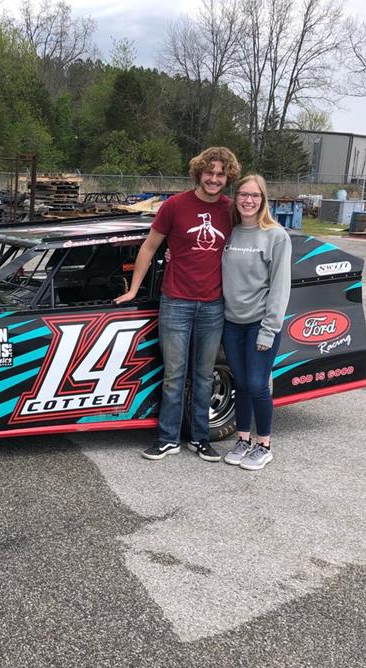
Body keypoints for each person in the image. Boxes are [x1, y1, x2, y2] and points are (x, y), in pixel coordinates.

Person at [115, 146, 241, 461]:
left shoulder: (232, 211)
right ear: (199, 172)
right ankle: (168, 439)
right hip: (176, 303)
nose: (214, 179)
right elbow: (149, 247)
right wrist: (133, 289)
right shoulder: (174, 205)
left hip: (214, 305)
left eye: (220, 174)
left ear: (228, 177)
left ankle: (200, 439)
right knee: (174, 374)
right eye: (209, 172)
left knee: (203, 375)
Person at [220, 175, 292, 470]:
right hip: (231, 323)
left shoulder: (276, 235)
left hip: (259, 323)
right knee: (240, 383)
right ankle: (242, 439)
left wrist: (269, 329)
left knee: (257, 384)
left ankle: (264, 445)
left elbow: (280, 287)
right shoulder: (231, 232)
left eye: (255, 195)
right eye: (243, 194)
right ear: (235, 197)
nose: (248, 200)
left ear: (263, 200)